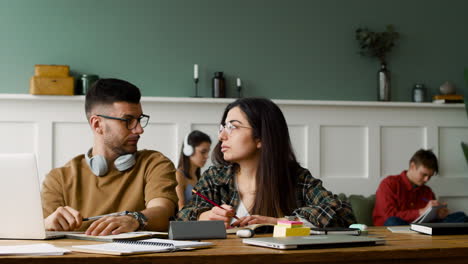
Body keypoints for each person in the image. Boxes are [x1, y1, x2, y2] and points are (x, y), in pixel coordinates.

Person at [177, 97, 356, 228]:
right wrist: (204, 216)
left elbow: (343, 214)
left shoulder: (295, 177)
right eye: (223, 127)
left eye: (233, 126)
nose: (221, 136)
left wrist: (283, 223)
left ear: (261, 137)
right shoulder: (214, 178)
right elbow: (181, 218)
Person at [41, 78, 178, 235]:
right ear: (97, 124)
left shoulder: (154, 163)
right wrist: (46, 224)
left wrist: (135, 219)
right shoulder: (58, 179)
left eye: (139, 120)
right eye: (128, 120)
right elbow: (40, 232)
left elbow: (163, 211)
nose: (139, 129)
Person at [373, 149, 467, 226]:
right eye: (424, 174)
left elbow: (431, 220)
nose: (426, 179)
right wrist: (421, 212)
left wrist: (439, 214)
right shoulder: (389, 183)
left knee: (461, 216)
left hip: (421, 229)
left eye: (430, 176)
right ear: (412, 166)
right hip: (396, 227)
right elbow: (388, 216)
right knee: (392, 221)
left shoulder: (427, 191)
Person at [176, 130, 211, 210]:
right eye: (203, 152)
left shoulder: (200, 177)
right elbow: (181, 209)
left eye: (207, 152)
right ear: (188, 151)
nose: (207, 156)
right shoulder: (178, 176)